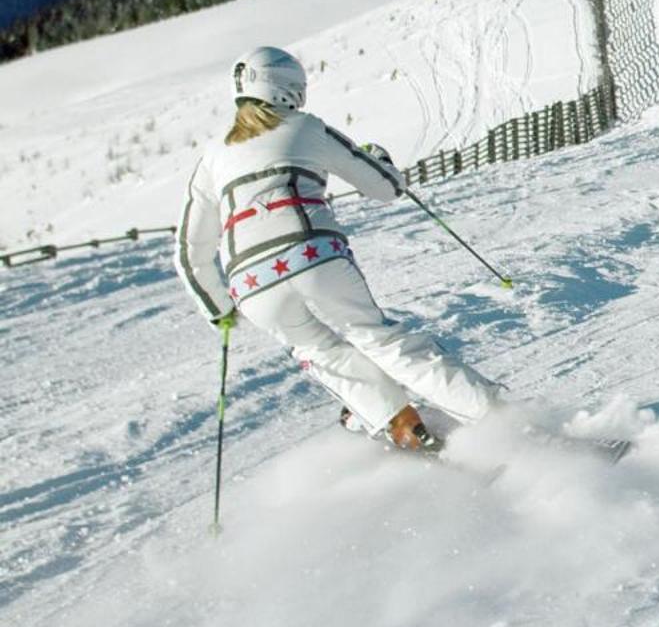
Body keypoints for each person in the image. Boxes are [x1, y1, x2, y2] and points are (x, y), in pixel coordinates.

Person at [173, 46, 501, 452]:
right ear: (288, 87)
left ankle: (404, 426)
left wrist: (219, 310)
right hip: (311, 254)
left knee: (319, 353)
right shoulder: (305, 127)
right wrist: (380, 161)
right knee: (378, 340)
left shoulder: (211, 157)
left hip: (252, 286)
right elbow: (383, 186)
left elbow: (190, 251)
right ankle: (498, 422)